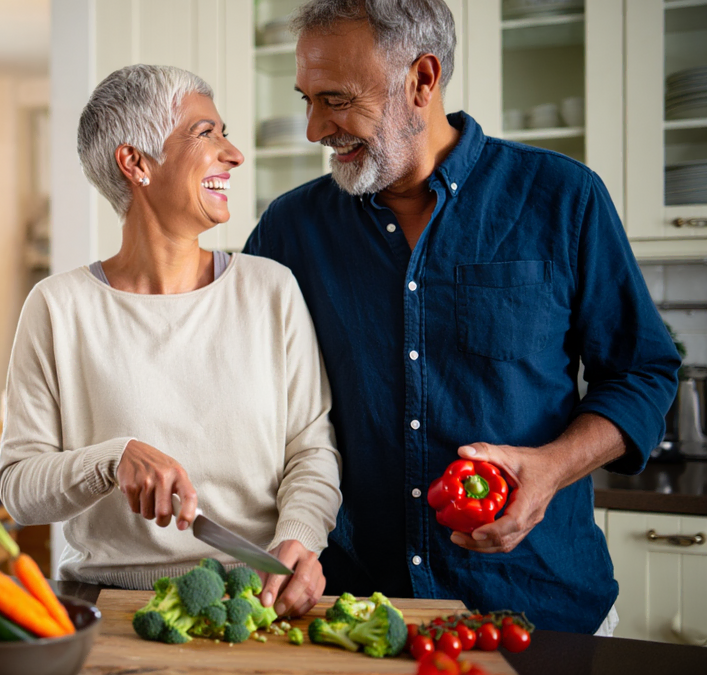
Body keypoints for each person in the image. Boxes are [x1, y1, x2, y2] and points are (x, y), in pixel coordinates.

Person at [243, 0, 680, 634]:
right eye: (306, 99)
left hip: (541, 604)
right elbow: (243, 391)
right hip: (356, 614)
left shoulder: (564, 197)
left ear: (422, 80)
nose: (314, 129)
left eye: (335, 100)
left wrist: (552, 468)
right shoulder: (290, 228)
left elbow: (642, 374)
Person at [0, 64, 342, 617]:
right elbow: (19, 488)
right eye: (206, 134)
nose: (234, 154)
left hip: (253, 601)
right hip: (101, 605)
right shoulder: (58, 307)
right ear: (136, 163)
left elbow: (311, 449)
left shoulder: (270, 289)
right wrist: (112, 460)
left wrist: (299, 537)